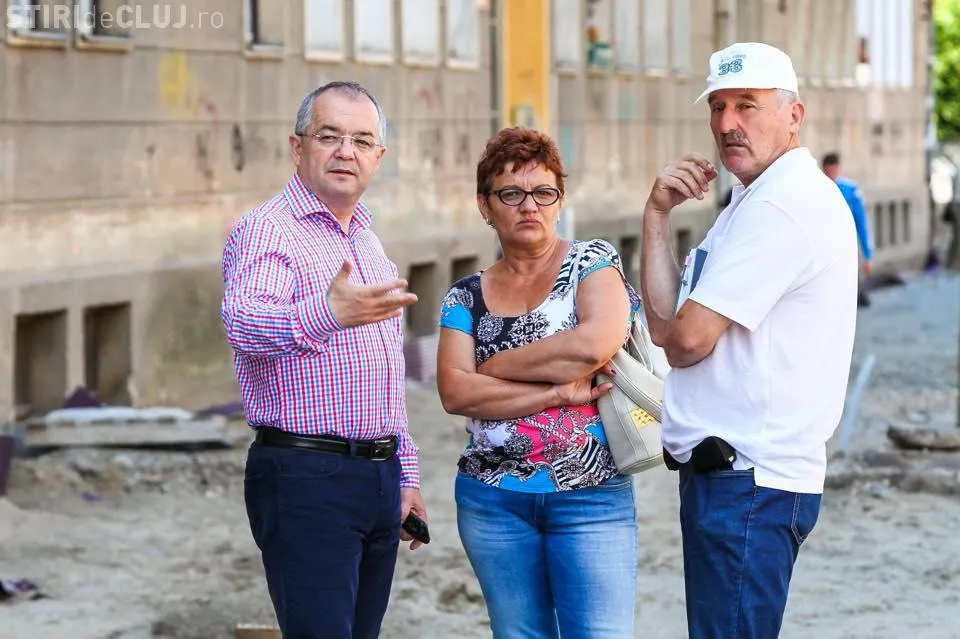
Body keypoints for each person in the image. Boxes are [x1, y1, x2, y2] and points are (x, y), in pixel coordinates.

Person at [639, 42, 858, 637]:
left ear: (794, 115)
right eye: (718, 107)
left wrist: (678, 332)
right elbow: (665, 329)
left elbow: (684, 341)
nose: (727, 123)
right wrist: (656, 216)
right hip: (735, 481)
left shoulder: (785, 205)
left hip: (751, 482)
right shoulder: (752, 200)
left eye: (747, 105)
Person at [220, 81, 427, 639]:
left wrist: (404, 475)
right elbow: (243, 324)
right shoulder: (267, 230)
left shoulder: (368, 242)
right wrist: (326, 313)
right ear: (298, 147)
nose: (345, 152)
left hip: (378, 476)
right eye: (329, 136)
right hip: (306, 476)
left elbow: (387, 374)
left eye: (361, 141)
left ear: (378, 157)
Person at [436, 127, 640, 638]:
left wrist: (494, 367)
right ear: (485, 206)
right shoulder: (464, 297)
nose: (529, 205)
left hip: (591, 495)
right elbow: (455, 393)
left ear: (560, 200)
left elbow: (592, 346)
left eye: (543, 192)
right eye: (511, 193)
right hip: (491, 500)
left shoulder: (591, 263)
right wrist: (555, 392)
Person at [822, 151, 875, 306]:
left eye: (833, 169)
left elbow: (862, 222)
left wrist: (868, 256)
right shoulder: (817, 189)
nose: (831, 173)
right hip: (824, 249)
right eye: (828, 170)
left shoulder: (850, 190)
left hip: (846, 247)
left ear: (838, 168)